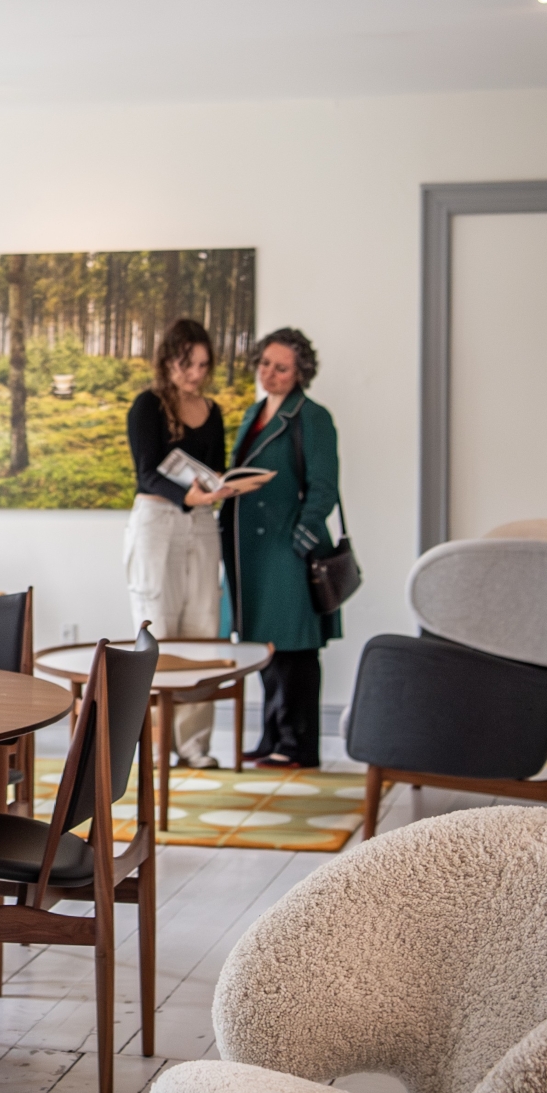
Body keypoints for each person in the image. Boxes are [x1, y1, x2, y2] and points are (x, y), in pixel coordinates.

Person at [124, 318, 269, 767]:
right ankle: (155, 747)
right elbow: (147, 471)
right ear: (169, 361)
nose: (197, 374)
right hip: (157, 521)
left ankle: (195, 747)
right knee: (158, 627)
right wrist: (187, 494)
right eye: (189, 365)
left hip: (203, 522)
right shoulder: (146, 406)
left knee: (204, 628)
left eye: (204, 365)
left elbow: (216, 470)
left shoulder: (214, 410)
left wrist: (222, 490)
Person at [222, 327, 341, 770]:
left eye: (282, 368)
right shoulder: (255, 411)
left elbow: (324, 486)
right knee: (267, 649)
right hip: (251, 552)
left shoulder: (312, 416)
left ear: (300, 374)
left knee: (295, 649)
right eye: (265, 364)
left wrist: (301, 538)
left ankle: (298, 746)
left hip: (287, 547)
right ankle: (271, 735)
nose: (269, 374)